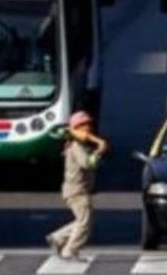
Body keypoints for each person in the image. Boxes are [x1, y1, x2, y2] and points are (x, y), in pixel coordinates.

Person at [47, 111, 108, 261]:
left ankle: (58, 238)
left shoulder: (78, 145)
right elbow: (87, 163)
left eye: (89, 124)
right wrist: (99, 150)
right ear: (77, 128)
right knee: (85, 222)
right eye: (84, 125)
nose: (89, 127)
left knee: (83, 220)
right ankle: (70, 250)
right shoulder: (76, 146)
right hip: (77, 190)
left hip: (78, 189)